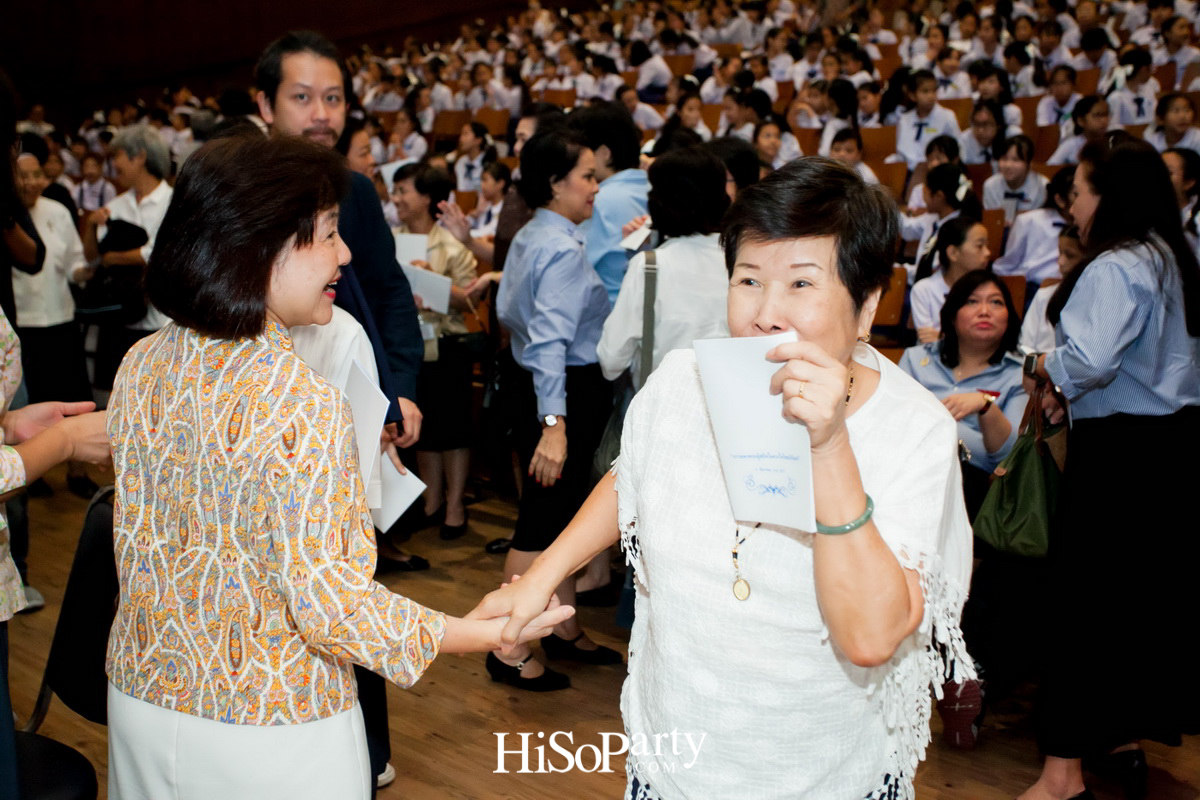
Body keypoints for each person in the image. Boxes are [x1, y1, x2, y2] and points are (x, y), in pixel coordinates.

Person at [474, 157, 974, 798]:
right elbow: (637, 477)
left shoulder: (913, 429)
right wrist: (540, 578)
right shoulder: (687, 377)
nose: (765, 313)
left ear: (868, 302)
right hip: (677, 748)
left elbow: (872, 636)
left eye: (800, 284)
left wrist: (827, 444)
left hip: (819, 765)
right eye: (747, 280)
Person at [105, 135, 570, 800]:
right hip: (269, 723)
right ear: (260, 244)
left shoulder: (143, 362)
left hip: (143, 695)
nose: (345, 254)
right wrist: (478, 632)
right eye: (327, 233)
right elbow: (329, 606)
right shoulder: (299, 399)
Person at [252, 29, 428, 788]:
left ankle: (368, 750)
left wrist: (402, 390)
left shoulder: (355, 191)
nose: (321, 114)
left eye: (333, 98)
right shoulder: (236, 186)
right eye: (302, 97)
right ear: (263, 104)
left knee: (350, 571)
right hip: (258, 419)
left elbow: (386, 289)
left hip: (353, 400)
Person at [1018, 141, 1200, 800]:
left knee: (1082, 608)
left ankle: (1063, 773)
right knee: (1136, 607)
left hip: (1123, 456)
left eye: (1081, 192)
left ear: (1109, 195)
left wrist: (1041, 368)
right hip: (1176, 450)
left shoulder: (1118, 265)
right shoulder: (1176, 257)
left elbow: (1087, 361)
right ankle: (1118, 741)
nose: (1074, 205)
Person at [490, 128, 619, 691]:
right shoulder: (561, 248)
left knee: (561, 515)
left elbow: (512, 315)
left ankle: (562, 630)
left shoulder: (534, 233)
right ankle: (508, 647)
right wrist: (555, 426)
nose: (596, 186)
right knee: (540, 522)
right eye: (588, 176)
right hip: (560, 391)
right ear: (554, 183)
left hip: (536, 384)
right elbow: (548, 343)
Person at [391, 162, 478, 540]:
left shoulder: (451, 246)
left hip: (447, 344)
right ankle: (432, 500)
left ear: (426, 197)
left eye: (403, 191)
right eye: (393, 191)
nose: (395, 199)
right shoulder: (389, 238)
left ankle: (456, 505)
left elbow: (471, 303)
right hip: (408, 344)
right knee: (422, 429)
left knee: (453, 431)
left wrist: (431, 280)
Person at [597, 145, 731, 388]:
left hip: (662, 414)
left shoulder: (648, 267)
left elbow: (610, 361)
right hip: (728, 407)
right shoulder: (741, 261)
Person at [900, 271, 1026, 517]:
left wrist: (985, 405)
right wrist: (968, 439)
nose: (985, 311)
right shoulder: (915, 360)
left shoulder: (1018, 375)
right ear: (952, 314)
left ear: (1009, 317)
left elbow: (1007, 457)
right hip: (910, 472)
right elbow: (896, 425)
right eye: (972, 301)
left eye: (996, 302)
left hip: (975, 487)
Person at [81, 124, 174, 391]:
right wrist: (90, 225)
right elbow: (92, 258)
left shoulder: (173, 200)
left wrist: (113, 258)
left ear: (139, 156)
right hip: (119, 317)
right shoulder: (117, 204)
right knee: (119, 395)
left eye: (118, 156)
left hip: (160, 321)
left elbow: (157, 254)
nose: (113, 165)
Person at [568, 102, 650, 304]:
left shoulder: (596, 199)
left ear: (604, 153)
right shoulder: (654, 187)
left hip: (608, 315)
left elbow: (571, 271)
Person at [910, 216, 992, 341]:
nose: (987, 253)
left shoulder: (991, 290)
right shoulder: (924, 289)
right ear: (953, 253)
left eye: (987, 245)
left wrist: (941, 337)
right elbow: (927, 340)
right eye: (980, 246)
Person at [993, 165, 1076, 285]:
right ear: (1060, 200)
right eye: (1076, 194)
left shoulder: (1088, 227)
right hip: (1033, 286)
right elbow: (1008, 264)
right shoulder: (1029, 221)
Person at [1020, 224, 1083, 353]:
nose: (1061, 261)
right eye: (1060, 252)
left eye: (1070, 255)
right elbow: (1025, 346)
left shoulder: (1096, 301)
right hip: (1036, 368)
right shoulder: (1044, 295)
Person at [984, 135, 1049, 224]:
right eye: (1004, 159)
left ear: (1029, 163)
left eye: (1016, 160)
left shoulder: (1042, 186)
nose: (1008, 165)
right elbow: (992, 222)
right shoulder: (990, 185)